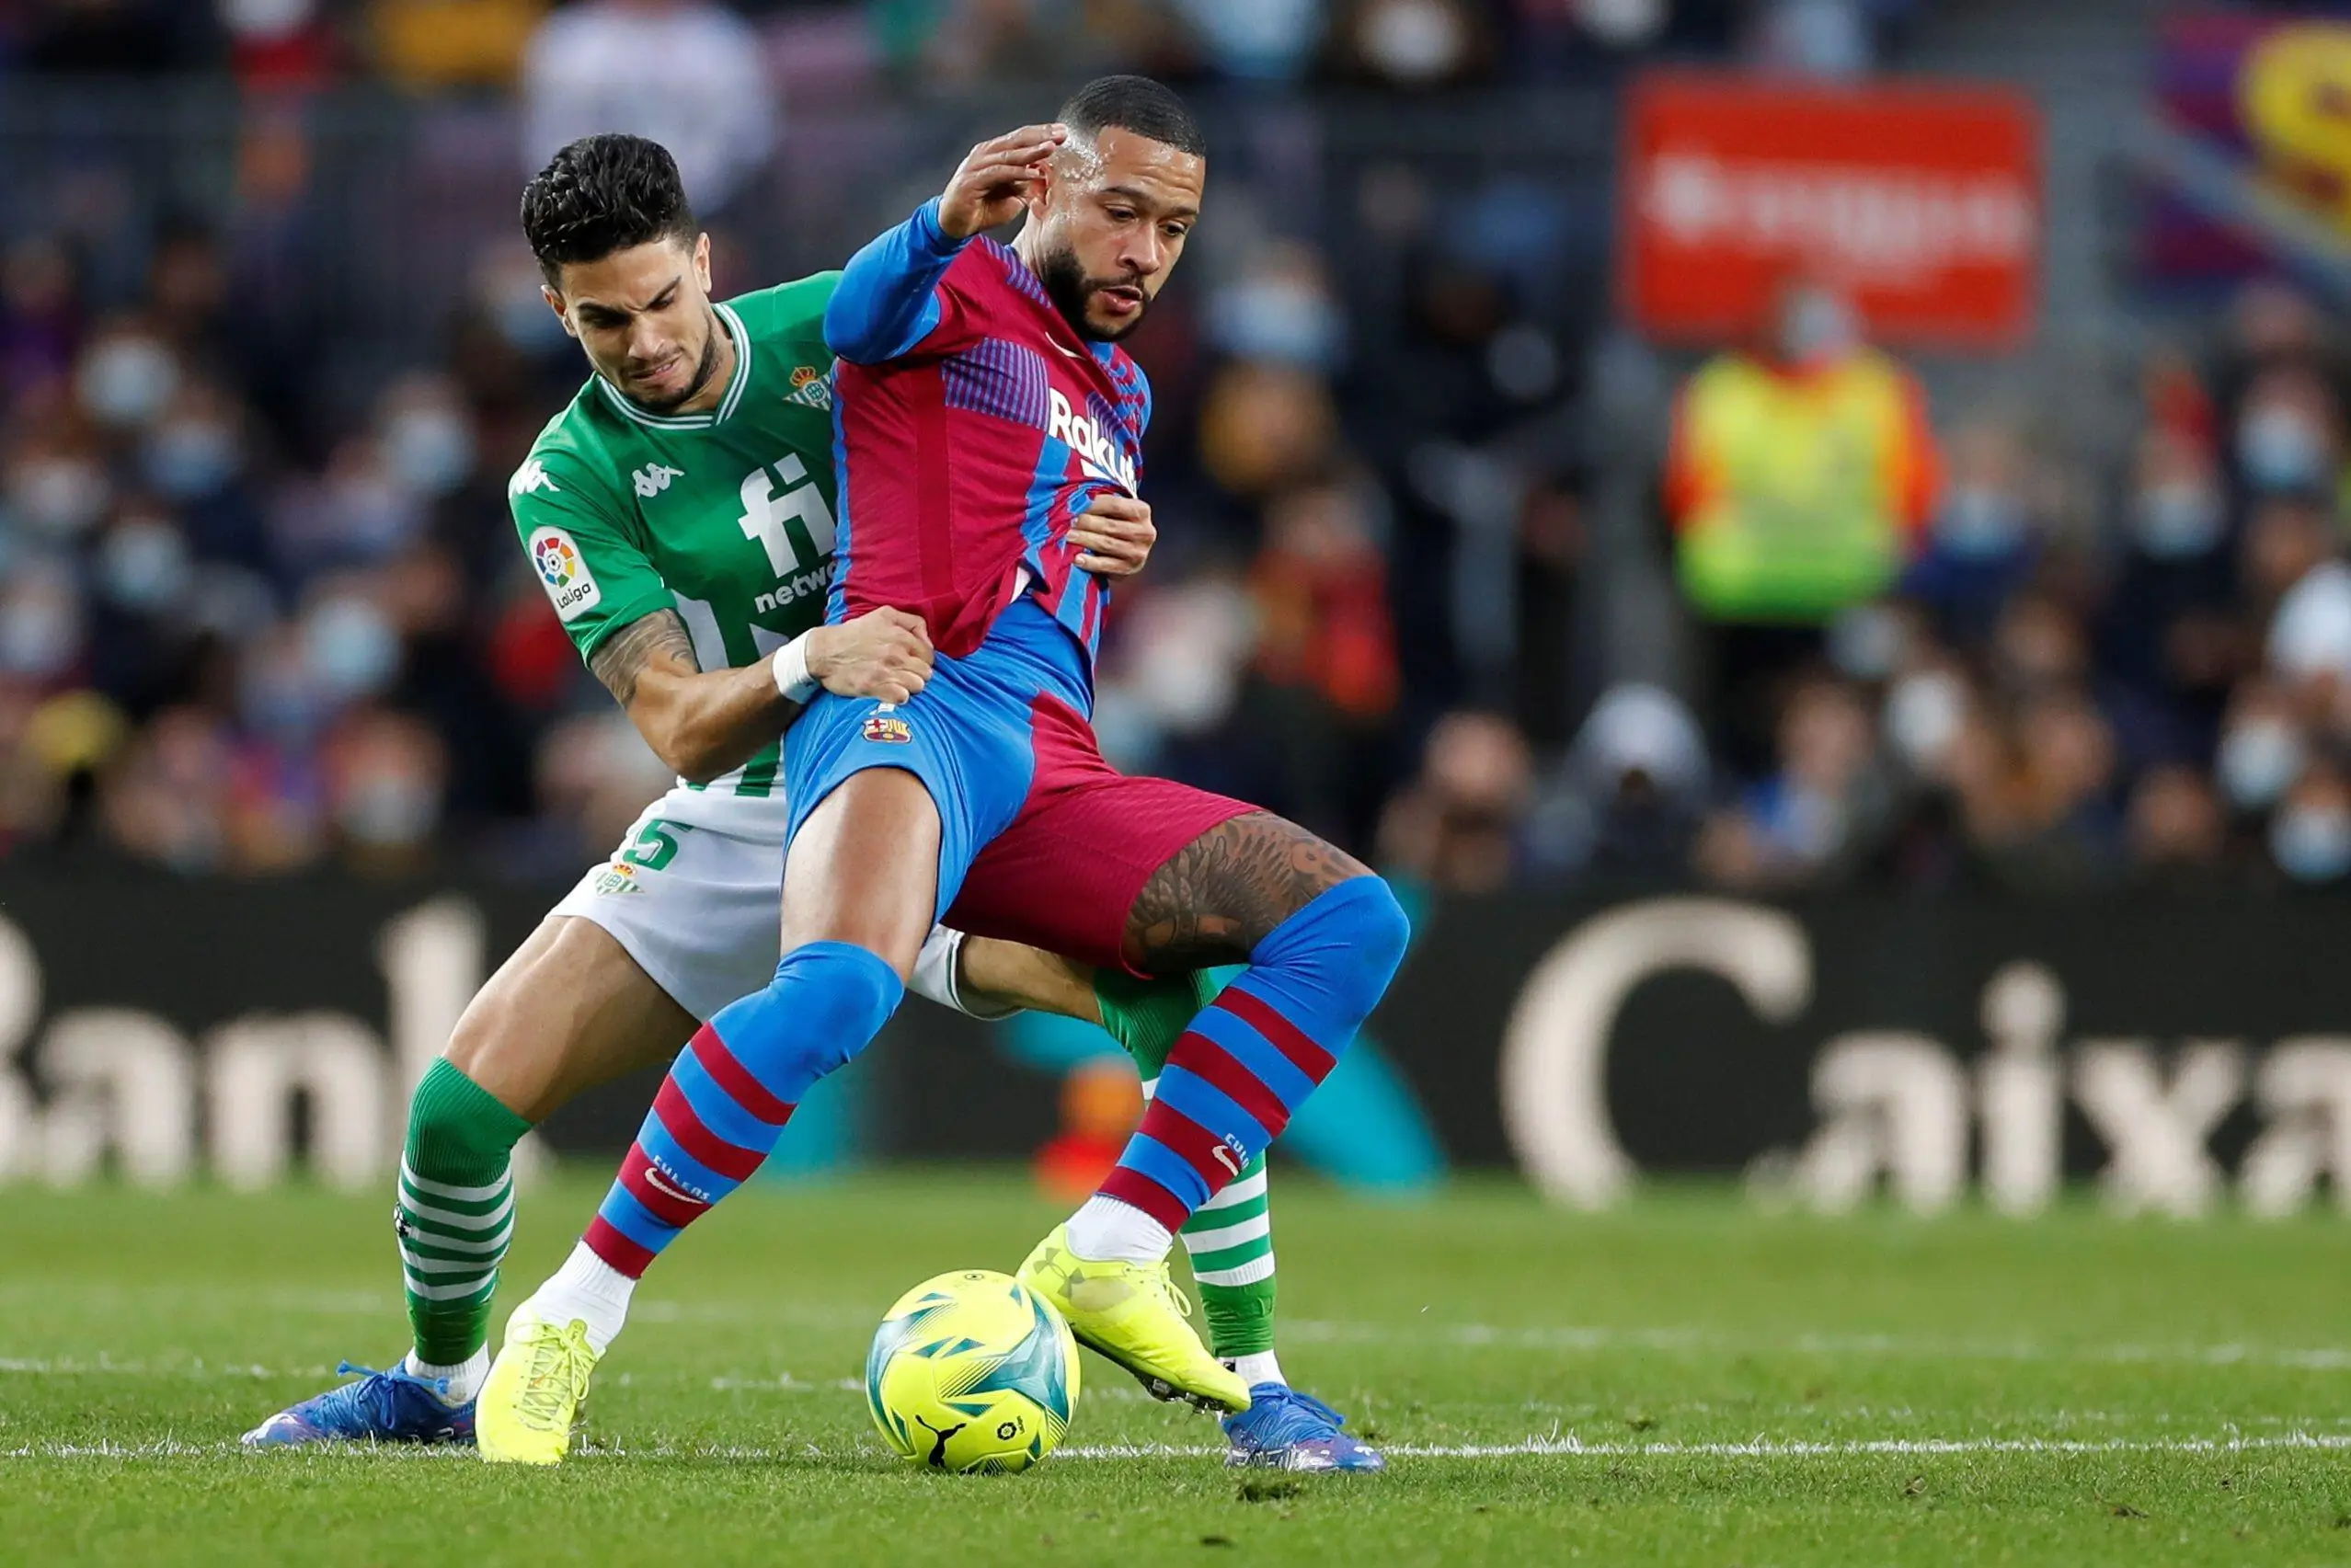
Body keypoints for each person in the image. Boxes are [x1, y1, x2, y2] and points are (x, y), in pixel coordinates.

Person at [240, 133, 1346, 1468]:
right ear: (554, 308)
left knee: (1178, 997)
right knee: (457, 1115)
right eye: (603, 319)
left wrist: (1113, 516)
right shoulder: (566, 476)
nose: (645, 341)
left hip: (936, 758)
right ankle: (438, 1379)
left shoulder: (844, 319)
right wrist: (805, 656)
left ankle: (1259, 1381)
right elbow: (675, 726)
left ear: (707, 261)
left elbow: (1039, 423)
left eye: (663, 299)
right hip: (758, 787)